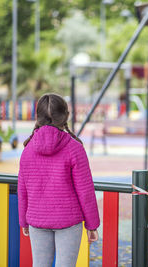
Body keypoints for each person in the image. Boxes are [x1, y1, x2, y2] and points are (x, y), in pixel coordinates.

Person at [18, 93, 100, 267]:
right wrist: (92, 225)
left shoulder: (27, 149)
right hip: (69, 221)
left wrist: (23, 220)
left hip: (37, 220)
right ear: (66, 116)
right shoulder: (75, 148)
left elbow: (22, 189)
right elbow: (85, 191)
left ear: (37, 117)